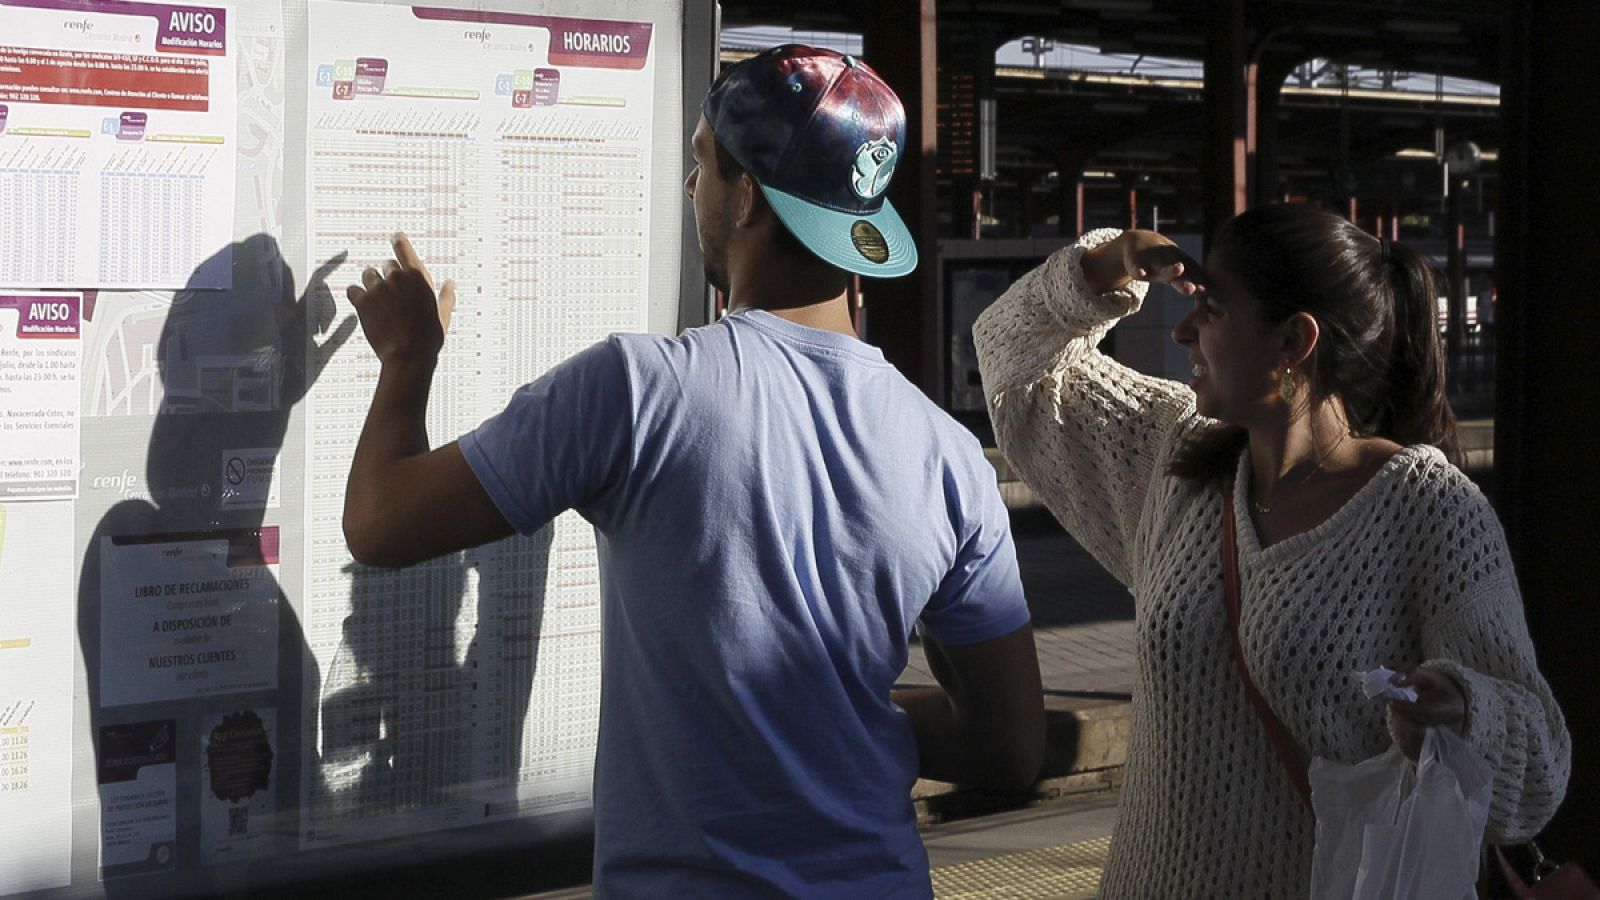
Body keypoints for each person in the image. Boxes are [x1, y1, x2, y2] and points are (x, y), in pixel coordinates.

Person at [340, 45, 1045, 898]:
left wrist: (408, 356)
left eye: (701, 162)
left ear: (747, 195)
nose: (689, 188)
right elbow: (1011, 747)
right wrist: (834, 716)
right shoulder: (949, 457)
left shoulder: (637, 392)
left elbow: (379, 523)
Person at [974, 204, 1570, 897]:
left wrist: (1463, 708)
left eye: (1215, 311)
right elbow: (1015, 363)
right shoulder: (1177, 457)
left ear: (1292, 342)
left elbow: (1539, 771)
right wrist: (1109, 265)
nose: (1182, 328)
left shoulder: (1428, 510)